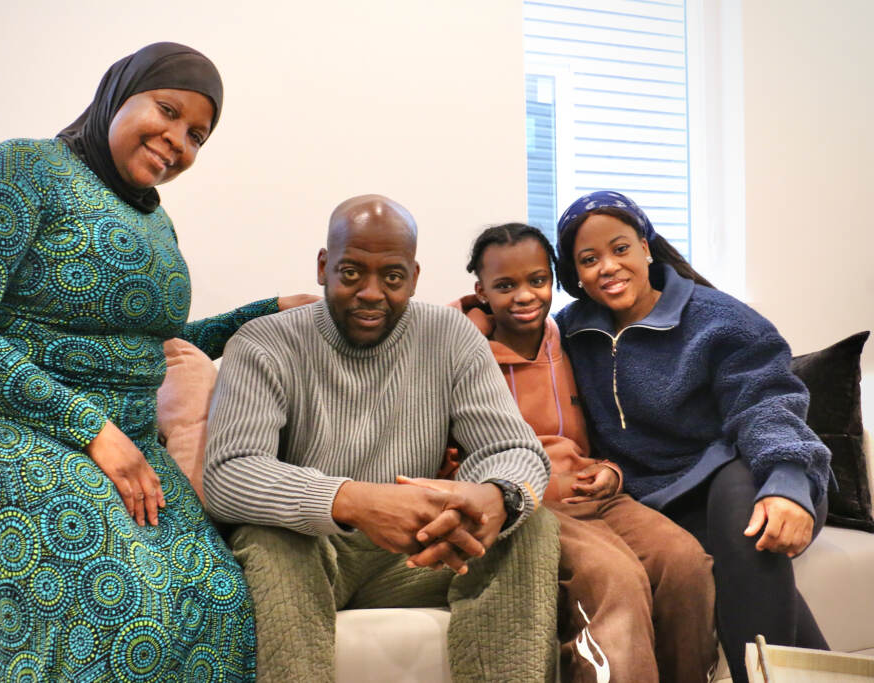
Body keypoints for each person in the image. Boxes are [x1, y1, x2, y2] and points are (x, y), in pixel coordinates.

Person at [0, 42, 307, 681]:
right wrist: (90, 429)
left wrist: (261, 312)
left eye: (197, 134)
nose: (177, 141)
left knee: (219, 598)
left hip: (121, 436)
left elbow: (145, 344)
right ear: (120, 93)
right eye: (167, 111)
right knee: (117, 606)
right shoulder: (24, 168)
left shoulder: (154, 220)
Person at [203, 195, 561, 682]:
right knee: (269, 539)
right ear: (323, 266)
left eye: (392, 277)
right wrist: (354, 501)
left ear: (413, 277)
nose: (371, 293)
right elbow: (230, 474)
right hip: (313, 554)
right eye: (351, 273)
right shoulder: (263, 342)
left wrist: (494, 496)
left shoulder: (451, 336)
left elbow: (513, 448)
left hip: (418, 555)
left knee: (531, 524)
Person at [552, 191, 832, 683]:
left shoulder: (720, 319)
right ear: (575, 274)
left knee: (745, 514)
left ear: (645, 246)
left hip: (761, 477)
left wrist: (787, 483)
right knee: (734, 569)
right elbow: (509, 327)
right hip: (664, 503)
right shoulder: (571, 333)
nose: (608, 267)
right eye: (589, 259)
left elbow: (766, 404)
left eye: (620, 249)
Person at [449, 222, 716, 682]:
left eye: (537, 280)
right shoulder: (456, 347)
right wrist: (273, 304)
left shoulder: (568, 337)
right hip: (530, 508)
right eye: (505, 286)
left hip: (596, 495)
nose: (525, 296)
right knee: (614, 577)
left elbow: (598, 435)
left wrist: (611, 471)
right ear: (482, 290)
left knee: (686, 562)